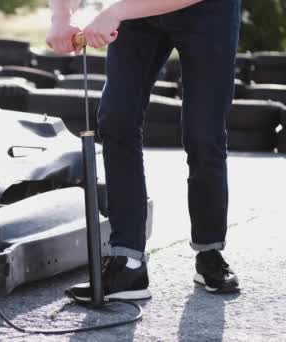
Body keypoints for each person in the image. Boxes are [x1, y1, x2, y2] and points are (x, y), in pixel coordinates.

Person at [47, 0, 241, 300]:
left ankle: (209, 253)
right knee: (116, 118)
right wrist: (60, 17)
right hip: (136, 12)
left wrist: (115, 13)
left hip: (207, 11)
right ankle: (129, 263)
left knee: (204, 132)